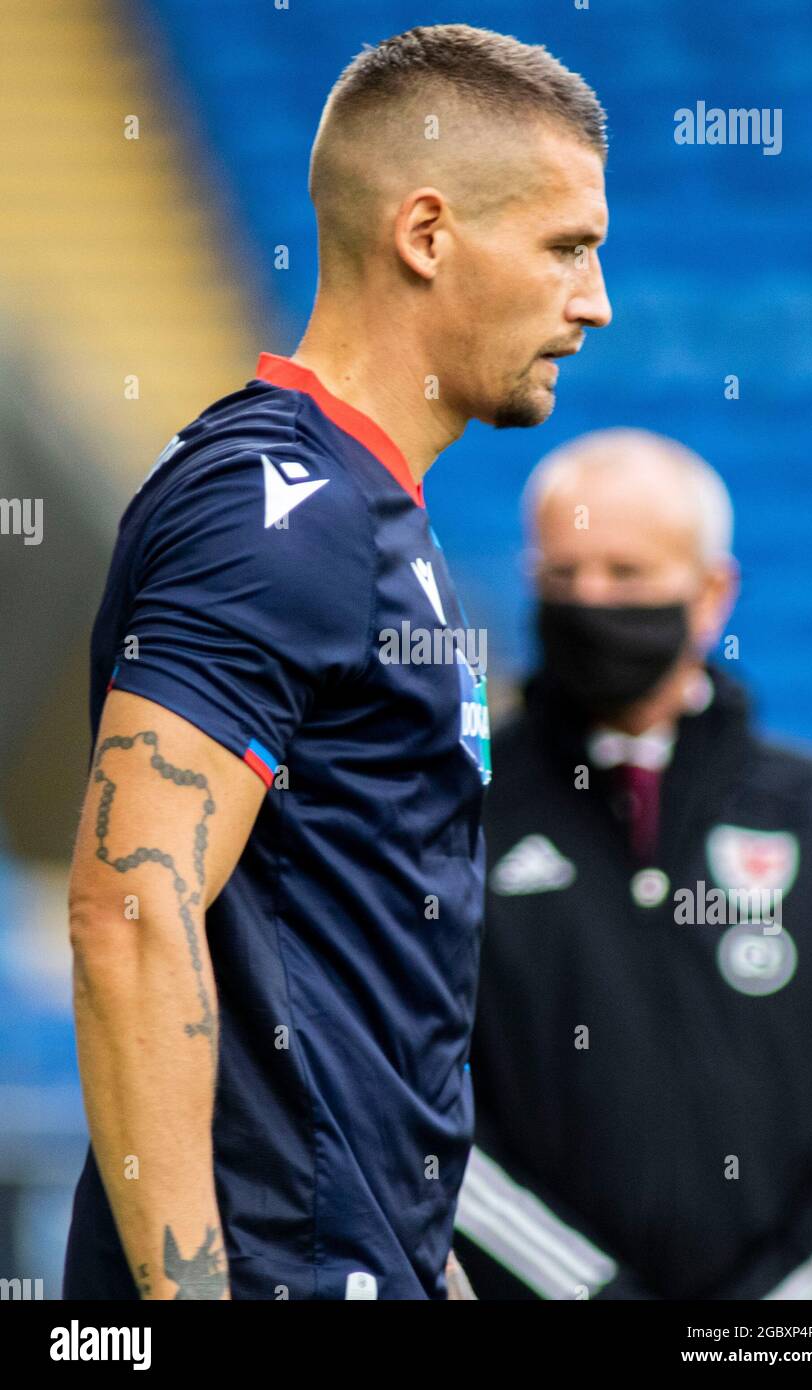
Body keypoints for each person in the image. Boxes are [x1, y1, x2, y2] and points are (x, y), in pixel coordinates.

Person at [62, 24, 612, 1300]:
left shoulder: (360, 509)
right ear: (426, 235)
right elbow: (130, 904)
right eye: (566, 247)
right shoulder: (282, 511)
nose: (593, 301)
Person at [454, 428, 812, 1300]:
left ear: (713, 593)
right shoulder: (455, 822)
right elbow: (417, 1112)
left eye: (627, 575)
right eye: (563, 577)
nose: (591, 600)